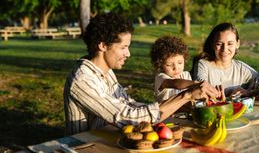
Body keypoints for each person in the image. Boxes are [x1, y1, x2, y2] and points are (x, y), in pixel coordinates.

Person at [63, 13, 223, 136]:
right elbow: (129, 117)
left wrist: (176, 106)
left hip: (107, 137)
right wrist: (186, 95)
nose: (128, 54)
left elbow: (128, 104)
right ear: (103, 46)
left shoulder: (105, 71)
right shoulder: (82, 80)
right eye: (123, 47)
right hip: (85, 149)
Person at [192, 22, 259, 97]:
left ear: (237, 44)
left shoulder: (241, 68)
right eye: (219, 44)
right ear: (212, 44)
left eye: (230, 44)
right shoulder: (203, 65)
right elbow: (200, 90)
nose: (224, 49)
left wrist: (249, 92)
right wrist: (231, 92)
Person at [150, 36, 199, 103]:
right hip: (166, 112)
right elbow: (175, 83)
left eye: (180, 63)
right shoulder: (161, 78)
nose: (176, 68)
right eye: (169, 65)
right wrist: (197, 84)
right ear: (160, 64)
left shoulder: (186, 75)